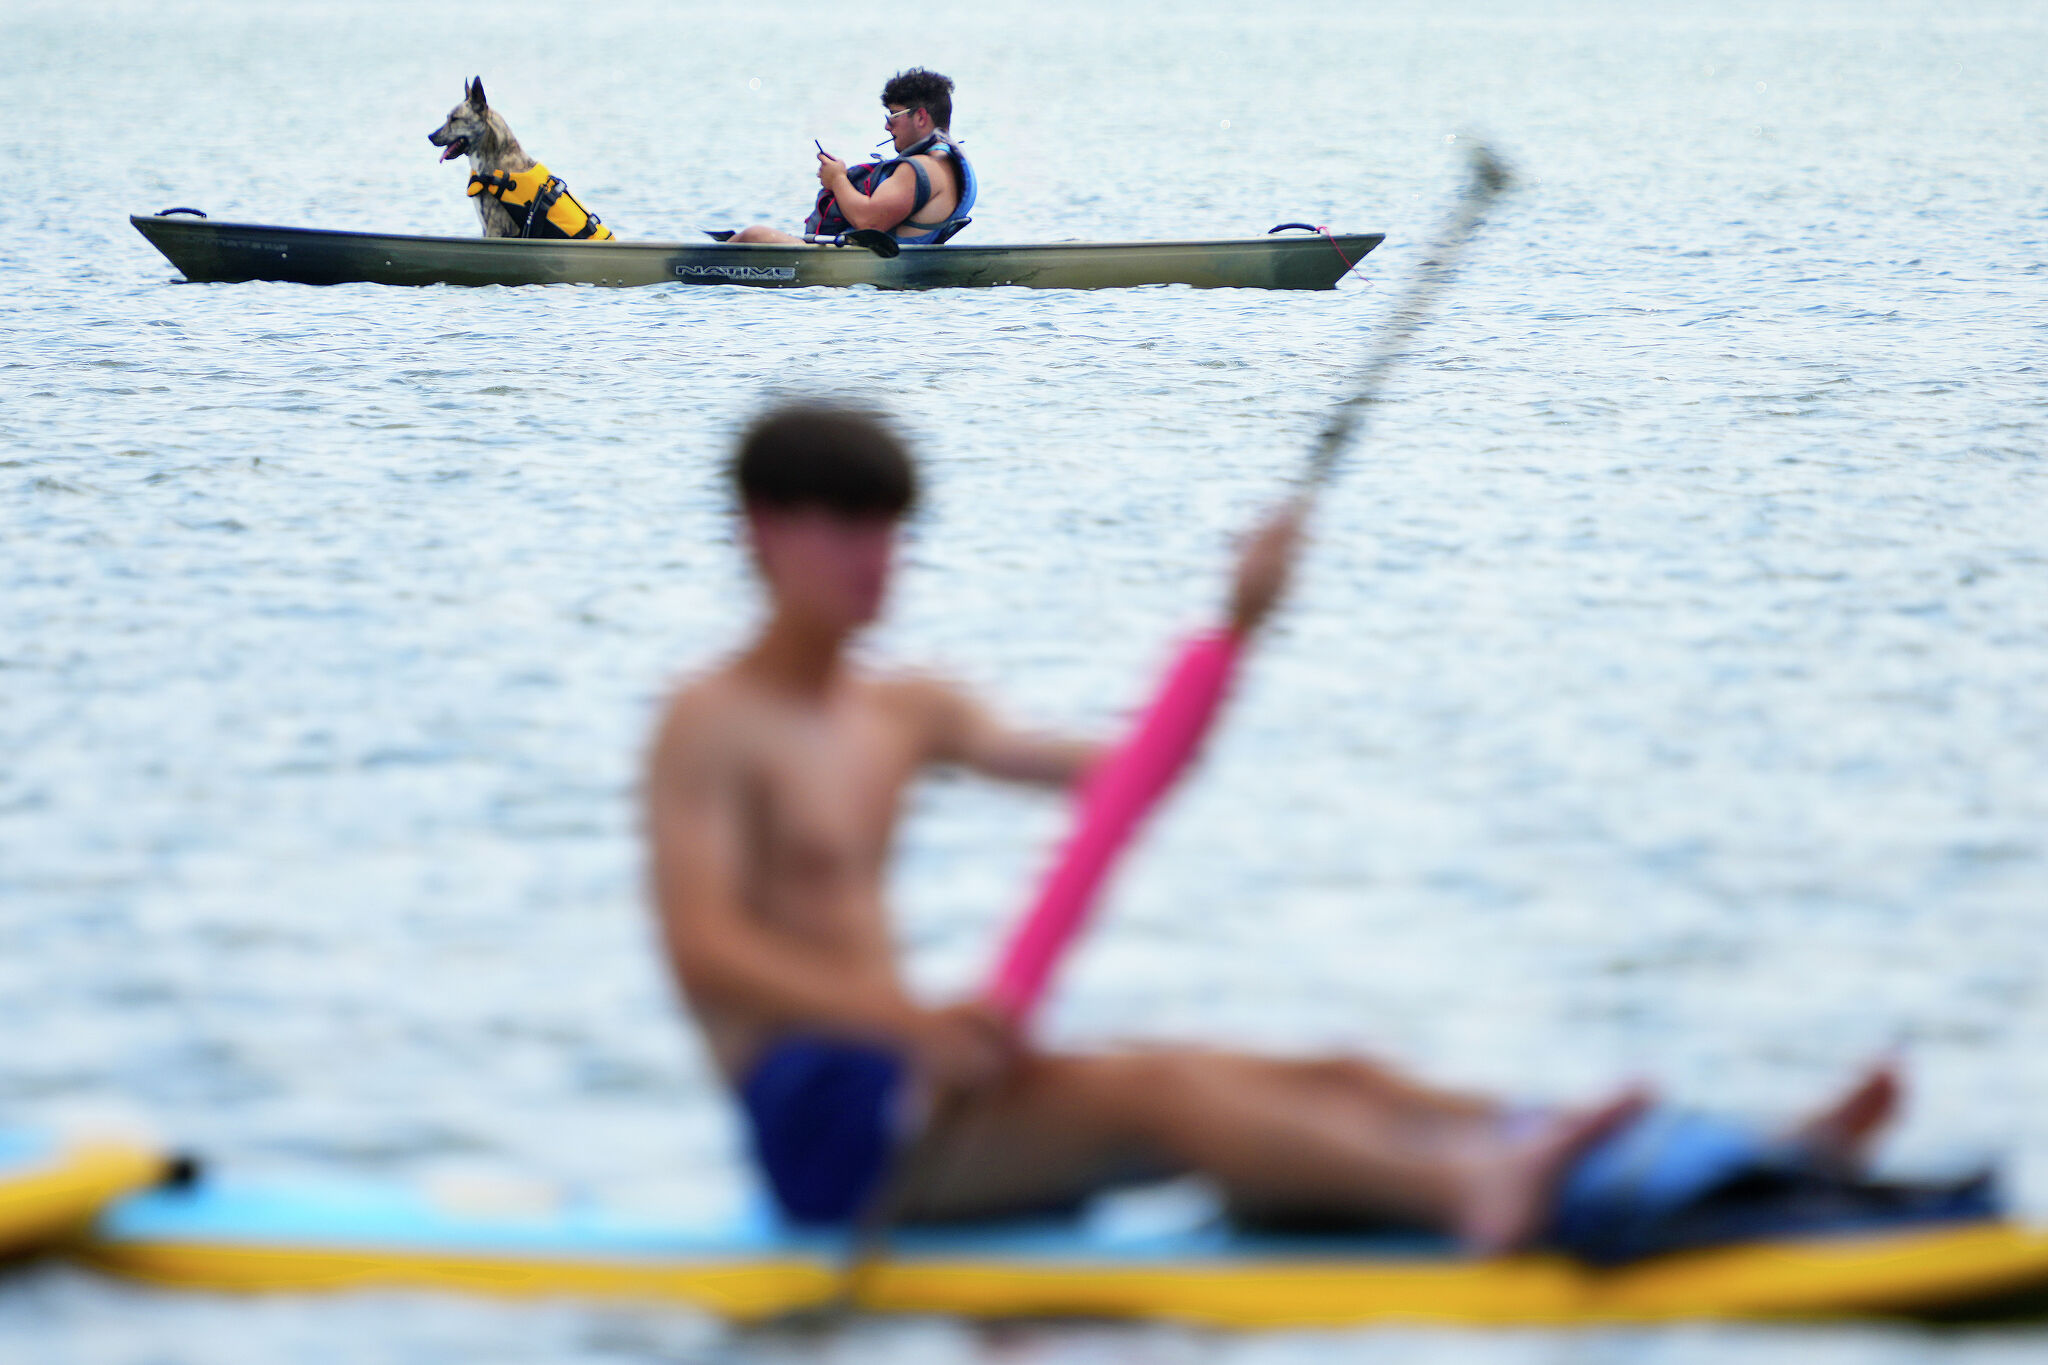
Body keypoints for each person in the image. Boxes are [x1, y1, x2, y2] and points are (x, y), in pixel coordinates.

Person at [644, 404, 1902, 1250]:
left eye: (891, 530)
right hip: (825, 1133)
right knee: (1171, 1090)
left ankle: (1712, 1156)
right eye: (847, 528)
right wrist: (917, 1024)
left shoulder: (907, 710)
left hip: (928, 1076)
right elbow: (706, 952)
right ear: (763, 531)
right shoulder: (711, 724)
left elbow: (1129, 780)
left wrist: (1239, 625)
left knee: (1329, 1073)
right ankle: (1468, 1189)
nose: (878, 560)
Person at [728, 69, 975, 245]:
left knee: (754, 235)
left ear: (921, 117)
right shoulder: (944, 161)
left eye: (894, 115)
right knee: (743, 237)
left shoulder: (922, 167)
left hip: (870, 262)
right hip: (883, 255)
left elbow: (869, 222)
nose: (888, 127)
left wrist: (837, 179)